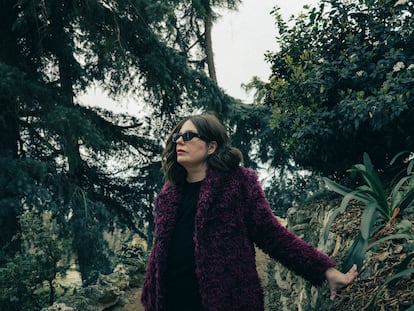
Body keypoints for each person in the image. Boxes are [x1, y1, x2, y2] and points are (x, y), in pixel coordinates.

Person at [141, 113, 358, 311]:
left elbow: (273, 235)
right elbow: (159, 253)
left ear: (211, 146)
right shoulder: (169, 193)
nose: (179, 140)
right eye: (177, 136)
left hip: (226, 303)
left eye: (188, 135)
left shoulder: (238, 183)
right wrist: (150, 297)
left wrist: (324, 270)